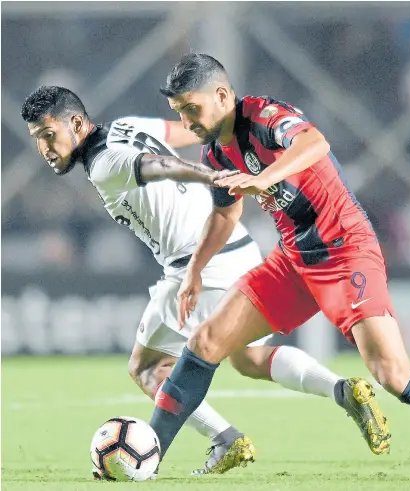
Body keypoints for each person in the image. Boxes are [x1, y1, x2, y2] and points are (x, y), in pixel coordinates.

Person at [148, 54, 410, 485]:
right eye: (179, 112)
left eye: (191, 108)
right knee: (207, 341)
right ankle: (148, 459)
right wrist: (195, 270)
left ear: (221, 94)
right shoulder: (216, 153)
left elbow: (315, 143)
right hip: (293, 261)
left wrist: (264, 178)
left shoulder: (264, 116)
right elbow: (224, 215)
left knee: (393, 373)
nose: (187, 119)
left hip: (344, 252)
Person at [21, 85, 390, 477]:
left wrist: (212, 174)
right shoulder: (127, 126)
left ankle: (225, 438)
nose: (45, 148)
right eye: (37, 139)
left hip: (198, 264)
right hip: (237, 245)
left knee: (146, 367)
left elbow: (159, 165)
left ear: (76, 123)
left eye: (49, 135)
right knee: (246, 358)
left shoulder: (103, 163)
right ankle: (344, 390)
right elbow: (187, 132)